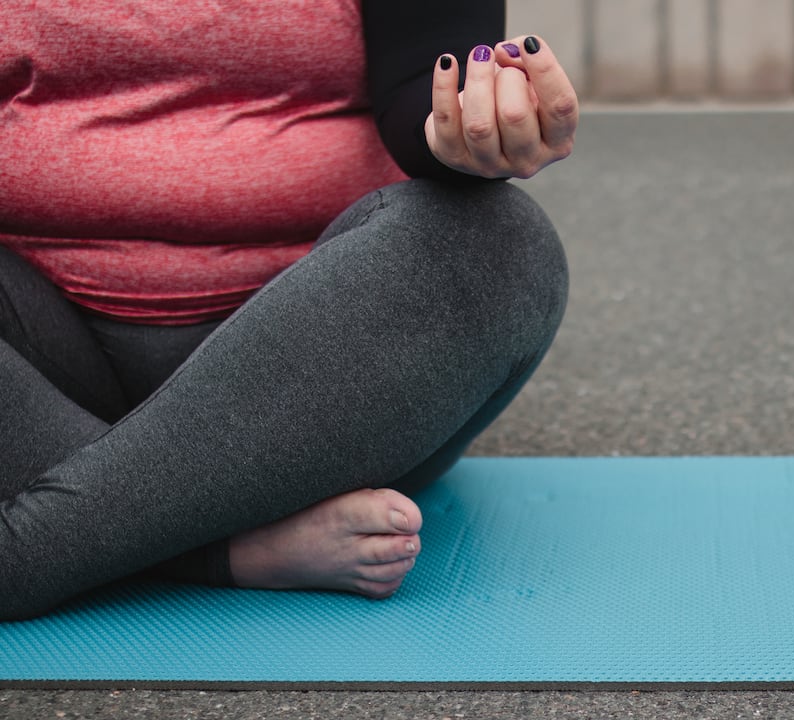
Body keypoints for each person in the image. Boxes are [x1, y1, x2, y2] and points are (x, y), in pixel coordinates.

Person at [0, 1, 577, 620]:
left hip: (315, 388)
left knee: (496, 243)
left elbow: (425, 77)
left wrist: (460, 128)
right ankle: (211, 546)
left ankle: (37, 548)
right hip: (38, 351)